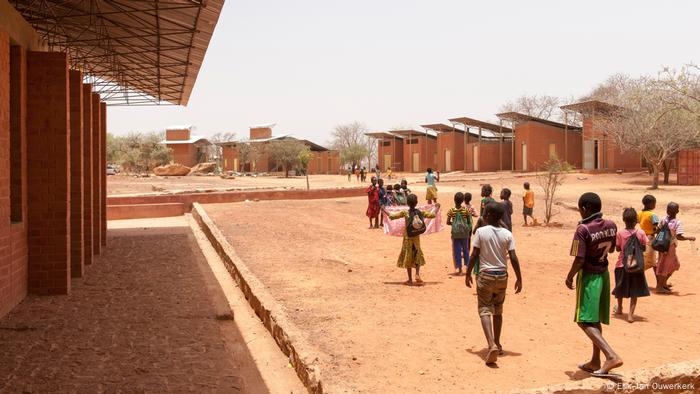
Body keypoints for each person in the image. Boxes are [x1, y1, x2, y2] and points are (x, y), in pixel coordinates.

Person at [565, 192, 622, 378]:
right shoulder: (612, 225)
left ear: (585, 209)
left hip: (589, 277)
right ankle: (595, 360)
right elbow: (613, 249)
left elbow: (579, 258)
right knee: (594, 318)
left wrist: (569, 276)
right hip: (604, 275)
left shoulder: (582, 230)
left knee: (583, 320)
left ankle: (610, 355)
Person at [465, 202, 522, 365]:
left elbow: (474, 254)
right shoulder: (507, 234)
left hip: (485, 276)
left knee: (484, 309)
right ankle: (498, 343)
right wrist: (519, 278)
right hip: (502, 277)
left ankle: (491, 345)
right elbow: (513, 257)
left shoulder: (481, 232)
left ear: (488, 216)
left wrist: (468, 273)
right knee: (498, 311)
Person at [383, 194, 439, 286]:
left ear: (407, 203)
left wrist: (384, 209)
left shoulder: (405, 213)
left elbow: (392, 216)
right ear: (416, 203)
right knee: (417, 254)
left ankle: (410, 280)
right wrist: (437, 207)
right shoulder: (420, 212)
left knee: (408, 256)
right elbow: (432, 215)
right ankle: (417, 273)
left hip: (407, 238)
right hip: (416, 238)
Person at [612, 208, 650, 323]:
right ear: (636, 221)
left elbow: (618, 248)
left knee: (620, 287)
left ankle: (619, 308)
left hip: (622, 265)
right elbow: (644, 248)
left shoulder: (620, 233)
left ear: (624, 220)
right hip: (636, 265)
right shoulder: (641, 233)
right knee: (634, 290)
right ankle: (630, 315)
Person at [655, 202, 695, 294]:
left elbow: (657, 230)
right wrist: (690, 238)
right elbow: (679, 237)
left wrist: (661, 242)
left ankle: (663, 283)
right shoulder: (677, 223)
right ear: (677, 211)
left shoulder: (663, 219)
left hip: (662, 246)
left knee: (675, 265)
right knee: (665, 266)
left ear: (667, 211)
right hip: (670, 247)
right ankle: (660, 287)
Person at [447, 192, 472, 275]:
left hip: (455, 234)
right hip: (464, 233)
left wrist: (454, 224)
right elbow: (469, 222)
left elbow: (448, 222)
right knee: (466, 250)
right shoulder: (466, 210)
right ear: (462, 201)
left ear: (454, 200)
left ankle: (460, 269)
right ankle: (468, 267)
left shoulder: (451, 211)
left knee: (457, 250)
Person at [637, 195, 659, 285]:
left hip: (641, 238)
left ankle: (660, 282)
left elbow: (638, 222)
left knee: (650, 261)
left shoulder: (639, 213)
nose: (655, 205)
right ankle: (659, 283)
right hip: (650, 239)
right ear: (650, 204)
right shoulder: (653, 215)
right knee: (653, 262)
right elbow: (656, 227)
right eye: (654, 203)